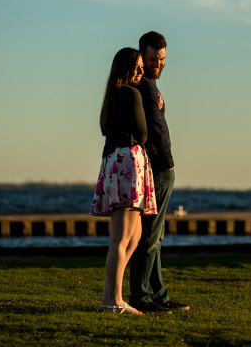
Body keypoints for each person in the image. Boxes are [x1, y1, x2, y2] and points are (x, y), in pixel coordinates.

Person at [90, 47, 158, 315]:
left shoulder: (112, 96)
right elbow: (142, 133)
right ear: (127, 68)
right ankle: (114, 300)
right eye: (138, 66)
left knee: (135, 234)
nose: (142, 70)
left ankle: (110, 296)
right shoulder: (130, 93)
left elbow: (107, 129)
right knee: (121, 238)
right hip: (128, 161)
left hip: (115, 161)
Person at [128, 31, 189, 313]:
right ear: (143, 56)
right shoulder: (146, 87)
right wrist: (168, 164)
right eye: (153, 59)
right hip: (159, 168)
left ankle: (158, 294)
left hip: (156, 168)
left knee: (156, 236)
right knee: (150, 237)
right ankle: (141, 297)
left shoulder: (147, 84)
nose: (158, 63)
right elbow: (155, 130)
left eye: (162, 59)